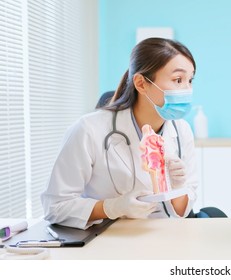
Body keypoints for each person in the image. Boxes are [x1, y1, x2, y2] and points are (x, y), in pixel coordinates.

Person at [41, 38, 199, 229]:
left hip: (166, 237)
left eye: (190, 80)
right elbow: (55, 207)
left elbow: (182, 212)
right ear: (141, 84)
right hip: (109, 239)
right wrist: (112, 208)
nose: (187, 89)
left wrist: (179, 187)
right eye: (178, 80)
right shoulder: (89, 129)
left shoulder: (181, 130)